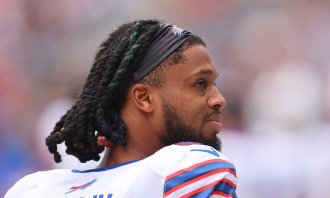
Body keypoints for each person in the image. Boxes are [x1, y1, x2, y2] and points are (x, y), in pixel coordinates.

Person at [5, 19, 237, 197]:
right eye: (200, 84)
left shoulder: (34, 190)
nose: (219, 99)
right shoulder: (189, 167)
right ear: (144, 98)